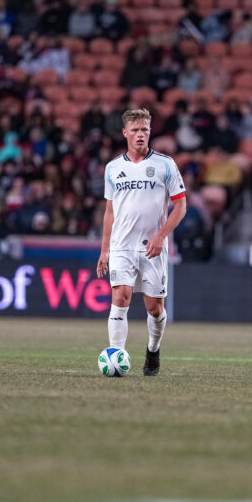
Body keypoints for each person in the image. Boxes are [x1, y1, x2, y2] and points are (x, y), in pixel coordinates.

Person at [96, 109, 187, 377]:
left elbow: (180, 206)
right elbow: (109, 212)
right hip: (122, 245)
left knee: (154, 308)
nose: (140, 135)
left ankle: (153, 348)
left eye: (144, 130)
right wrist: (104, 250)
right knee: (120, 296)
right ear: (125, 133)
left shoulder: (165, 164)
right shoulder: (113, 168)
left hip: (152, 246)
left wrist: (161, 236)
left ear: (150, 132)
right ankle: (115, 356)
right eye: (135, 130)